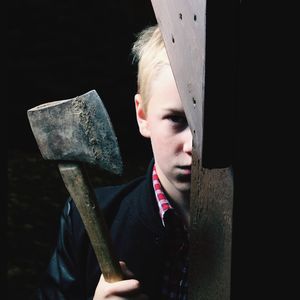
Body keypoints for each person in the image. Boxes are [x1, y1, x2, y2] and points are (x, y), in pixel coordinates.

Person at [36, 24, 192, 300]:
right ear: (142, 115)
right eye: (176, 119)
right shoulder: (82, 223)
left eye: (209, 125)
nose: (192, 146)